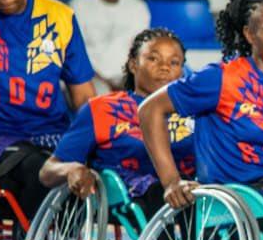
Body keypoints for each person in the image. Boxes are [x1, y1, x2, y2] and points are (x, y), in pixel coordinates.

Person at [138, 0, 263, 217]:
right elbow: (149, 110)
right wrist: (171, 181)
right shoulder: (220, 78)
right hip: (236, 198)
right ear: (250, 35)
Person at [0, 0, 95, 221]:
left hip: (54, 137)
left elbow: (84, 98)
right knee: (39, 170)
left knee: (87, 170)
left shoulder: (59, 17)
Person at [39, 28, 193, 218]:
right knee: (158, 192)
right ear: (133, 65)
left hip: (187, 193)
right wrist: (72, 169)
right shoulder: (102, 109)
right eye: (153, 59)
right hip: (128, 196)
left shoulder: (193, 111)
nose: (165, 67)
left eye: (174, 62)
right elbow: (47, 171)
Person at [70, 0, 150, 93]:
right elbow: (74, 53)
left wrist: (129, 79)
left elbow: (140, 52)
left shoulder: (138, 7)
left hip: (127, 78)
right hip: (90, 78)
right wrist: (103, 82)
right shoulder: (78, 5)